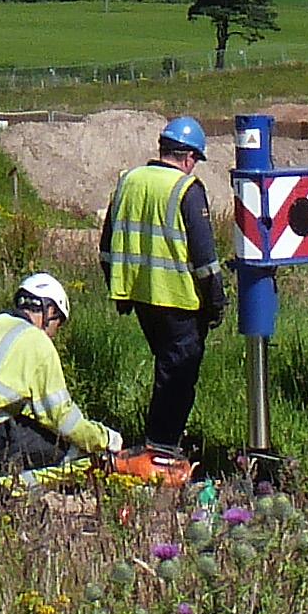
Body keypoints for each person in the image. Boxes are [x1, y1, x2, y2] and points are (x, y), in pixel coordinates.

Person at [100, 114, 227, 472]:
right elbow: (204, 260)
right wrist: (215, 301)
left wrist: (118, 286)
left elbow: (107, 247)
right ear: (188, 157)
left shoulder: (129, 182)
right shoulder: (186, 190)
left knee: (167, 368)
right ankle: (162, 451)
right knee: (178, 376)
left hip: (139, 296)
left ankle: (160, 444)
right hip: (180, 301)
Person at [0, 272, 122, 480]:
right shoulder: (36, 341)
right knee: (73, 454)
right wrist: (105, 439)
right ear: (49, 310)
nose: (53, 334)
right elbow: (62, 419)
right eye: (57, 323)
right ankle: (1, 492)